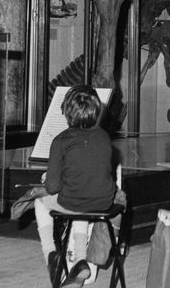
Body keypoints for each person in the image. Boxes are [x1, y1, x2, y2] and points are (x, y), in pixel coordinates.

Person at [34, 85, 116, 288]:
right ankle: (80, 261)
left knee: (40, 201)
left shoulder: (60, 140)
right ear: (96, 110)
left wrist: (48, 180)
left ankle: (51, 256)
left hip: (74, 200)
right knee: (80, 198)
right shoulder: (105, 137)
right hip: (103, 201)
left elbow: (53, 187)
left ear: (66, 111)